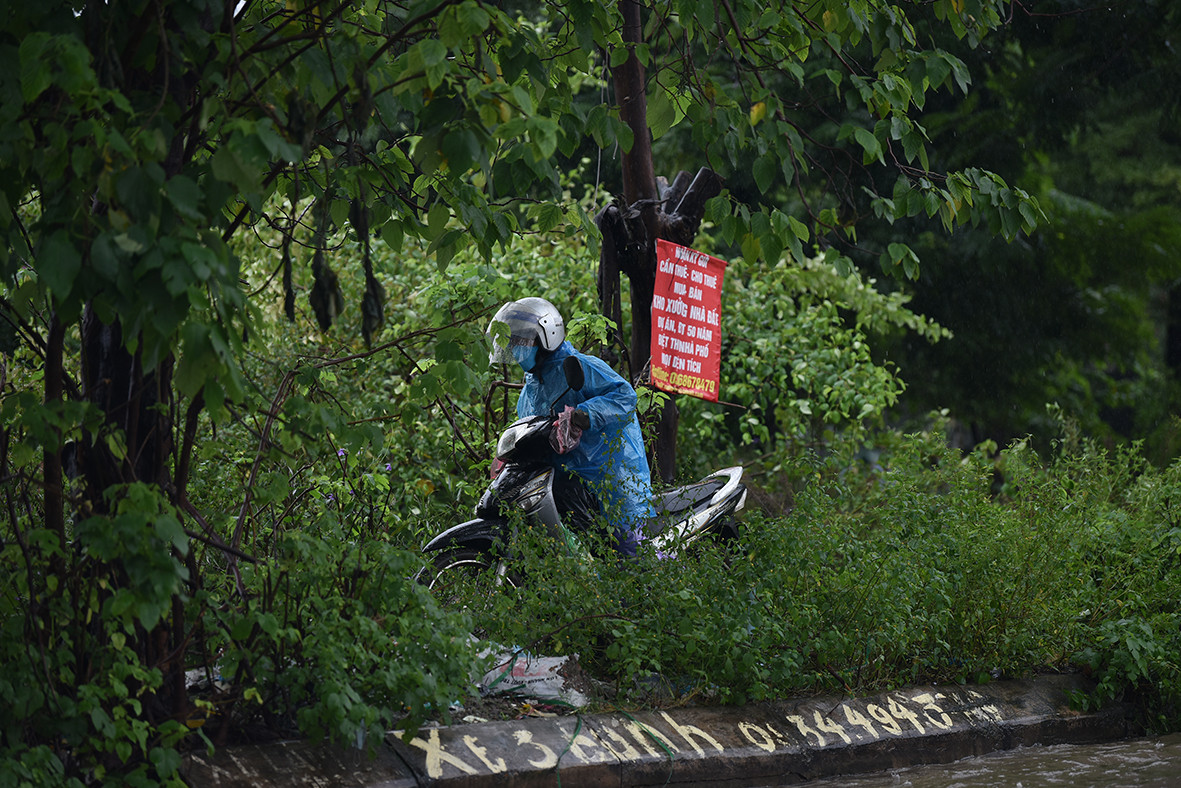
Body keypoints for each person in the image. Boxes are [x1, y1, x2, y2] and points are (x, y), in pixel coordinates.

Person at [488, 297, 655, 557]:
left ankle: (656, 589)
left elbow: (625, 397)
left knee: (628, 556)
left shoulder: (581, 365)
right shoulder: (531, 389)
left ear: (547, 335)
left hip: (606, 480)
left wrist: (583, 415)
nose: (516, 348)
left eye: (522, 341)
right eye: (513, 342)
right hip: (564, 487)